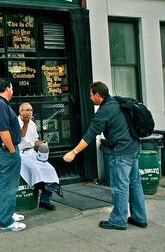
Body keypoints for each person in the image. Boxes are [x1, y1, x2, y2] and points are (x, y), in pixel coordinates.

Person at [63, 81, 148, 230]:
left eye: (91, 95)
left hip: (120, 153)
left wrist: (73, 152)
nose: (89, 98)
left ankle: (118, 221)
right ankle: (139, 218)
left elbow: (89, 136)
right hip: (134, 148)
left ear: (98, 95)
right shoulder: (116, 102)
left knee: (119, 188)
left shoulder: (103, 112)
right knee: (135, 184)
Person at [0, 79, 26, 231]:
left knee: (9, 184)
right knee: (7, 185)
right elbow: (4, 133)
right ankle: (6, 222)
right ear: (6, 88)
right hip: (6, 151)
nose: (13, 91)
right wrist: (12, 151)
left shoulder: (0, 104)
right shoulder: (0, 105)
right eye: (11, 87)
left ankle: (8, 213)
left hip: (5, 150)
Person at [18, 102, 62, 211]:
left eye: (31, 110)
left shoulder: (32, 124)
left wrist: (42, 144)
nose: (29, 112)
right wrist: (26, 123)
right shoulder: (16, 122)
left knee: (49, 169)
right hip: (21, 154)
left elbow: (34, 141)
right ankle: (41, 187)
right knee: (36, 170)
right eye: (27, 110)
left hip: (32, 153)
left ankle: (45, 200)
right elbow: (20, 136)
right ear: (20, 112)